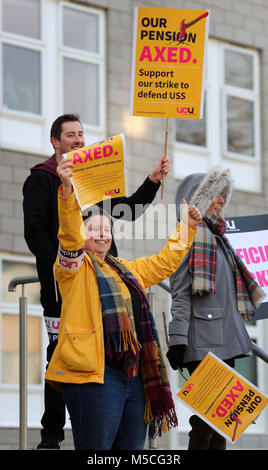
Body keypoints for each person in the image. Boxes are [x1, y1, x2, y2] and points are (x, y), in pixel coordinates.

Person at [22, 113, 170, 450]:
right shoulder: (41, 181)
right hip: (65, 286)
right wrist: (69, 267)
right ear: (55, 142)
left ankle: (110, 421)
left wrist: (153, 179)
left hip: (106, 290)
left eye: (81, 134)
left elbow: (129, 211)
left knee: (105, 357)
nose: (77, 139)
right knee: (59, 353)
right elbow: (35, 236)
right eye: (70, 135)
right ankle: (51, 435)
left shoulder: (93, 180)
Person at [44, 156, 202, 450]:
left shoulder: (126, 269)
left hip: (134, 377)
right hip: (93, 377)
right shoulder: (73, 268)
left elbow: (163, 263)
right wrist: (67, 192)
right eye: (93, 229)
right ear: (82, 236)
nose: (102, 234)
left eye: (106, 229)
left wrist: (186, 227)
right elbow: (67, 234)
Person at [166, 168, 265, 450]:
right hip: (203, 343)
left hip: (225, 343)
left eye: (223, 196)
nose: (221, 202)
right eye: (215, 196)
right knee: (210, 418)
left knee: (222, 421)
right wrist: (178, 342)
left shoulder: (218, 238)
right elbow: (181, 294)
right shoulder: (187, 238)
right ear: (198, 200)